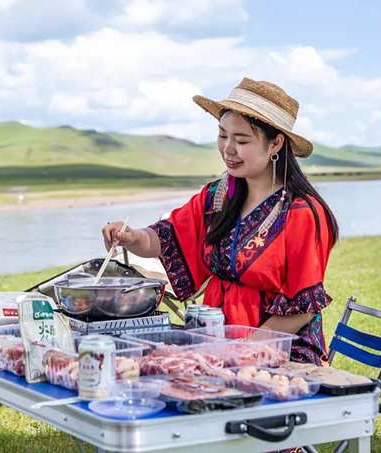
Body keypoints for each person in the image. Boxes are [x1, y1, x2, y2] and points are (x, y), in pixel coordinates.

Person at [102, 78, 339, 366]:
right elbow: (167, 237)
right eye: (222, 136)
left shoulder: (302, 213)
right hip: (216, 342)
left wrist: (244, 350)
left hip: (278, 352)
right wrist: (132, 236)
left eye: (241, 140)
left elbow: (303, 309)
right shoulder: (218, 196)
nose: (228, 149)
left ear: (276, 143)